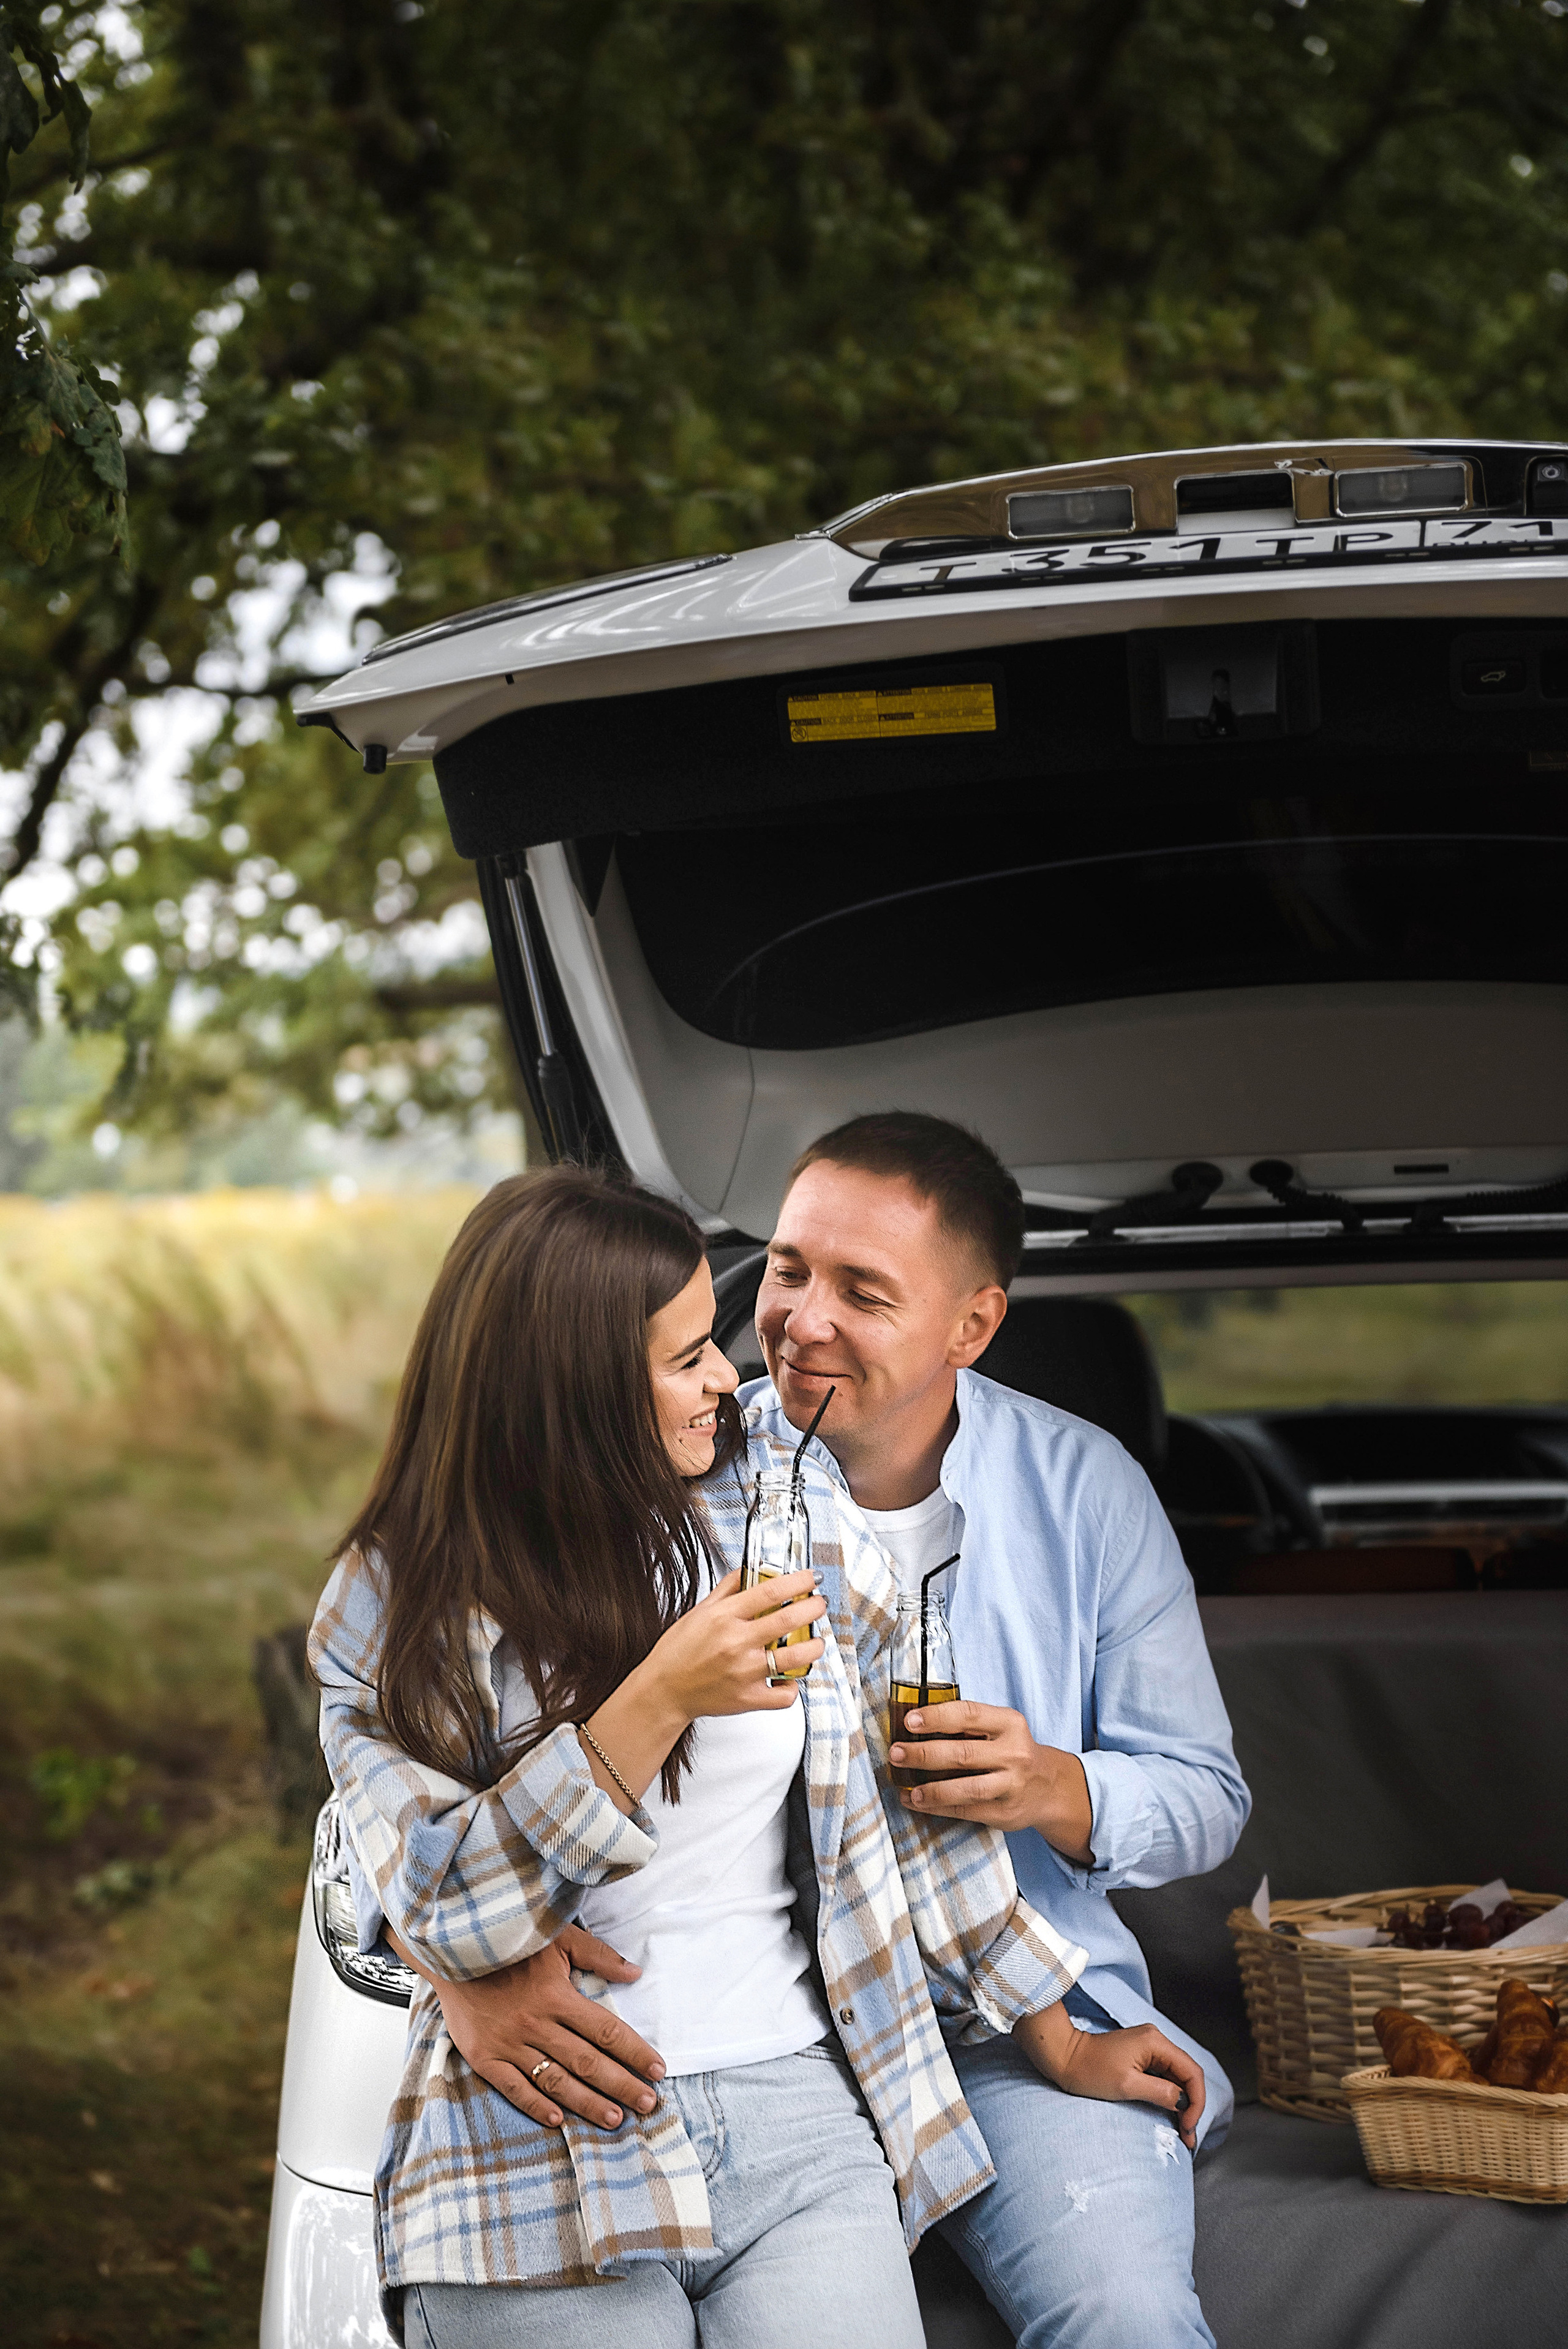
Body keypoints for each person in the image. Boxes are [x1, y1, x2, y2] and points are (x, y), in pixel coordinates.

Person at [309, 1165, 1206, 2349]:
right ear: (575, 1387)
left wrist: (1061, 2036)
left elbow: (908, 1818)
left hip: (796, 2117)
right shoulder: (395, 1596)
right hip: (532, 2141)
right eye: (690, 1357)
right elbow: (440, 1898)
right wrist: (661, 1697)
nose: (732, 1380)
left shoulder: (780, 1515)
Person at [744, 1111, 1250, 2349]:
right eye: (788, 1269)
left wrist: (1052, 1787)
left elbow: (1206, 1796)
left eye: (862, 1292)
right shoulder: (681, 1471)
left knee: (1125, 2320)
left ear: (971, 1325)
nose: (802, 1320)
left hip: (1017, 2038)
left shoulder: (1086, 1487)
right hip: (758, 2039)